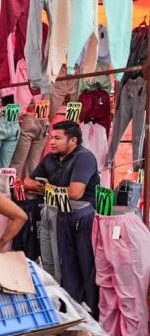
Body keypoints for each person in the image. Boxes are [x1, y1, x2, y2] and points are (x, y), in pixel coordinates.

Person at [23, 120, 100, 318]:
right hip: (52, 211)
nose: (52, 142)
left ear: (73, 140)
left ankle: (83, 311)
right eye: (51, 138)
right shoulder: (50, 158)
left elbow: (75, 193)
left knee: (76, 265)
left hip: (79, 216)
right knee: (50, 263)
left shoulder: (84, 158)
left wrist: (44, 187)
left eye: (57, 138)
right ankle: (57, 309)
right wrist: (45, 188)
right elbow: (27, 182)